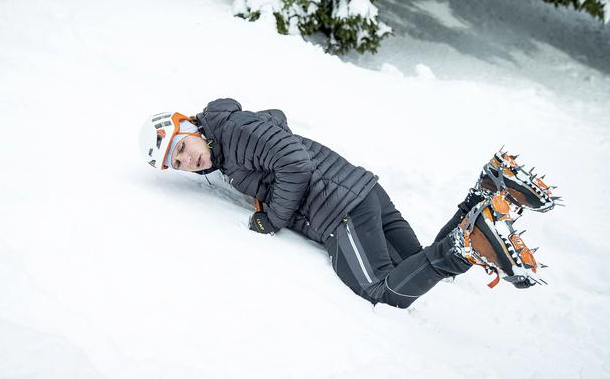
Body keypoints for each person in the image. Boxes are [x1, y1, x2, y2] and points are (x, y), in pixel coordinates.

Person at [139, 99, 559, 308]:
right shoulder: (233, 134)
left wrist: (273, 218)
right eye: (176, 163)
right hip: (359, 190)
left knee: (382, 292)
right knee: (419, 263)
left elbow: (293, 163)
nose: (186, 160)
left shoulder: (233, 129)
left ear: (190, 126)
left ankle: (465, 246)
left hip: (337, 209)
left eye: (182, 147)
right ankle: (484, 195)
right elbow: (278, 120)